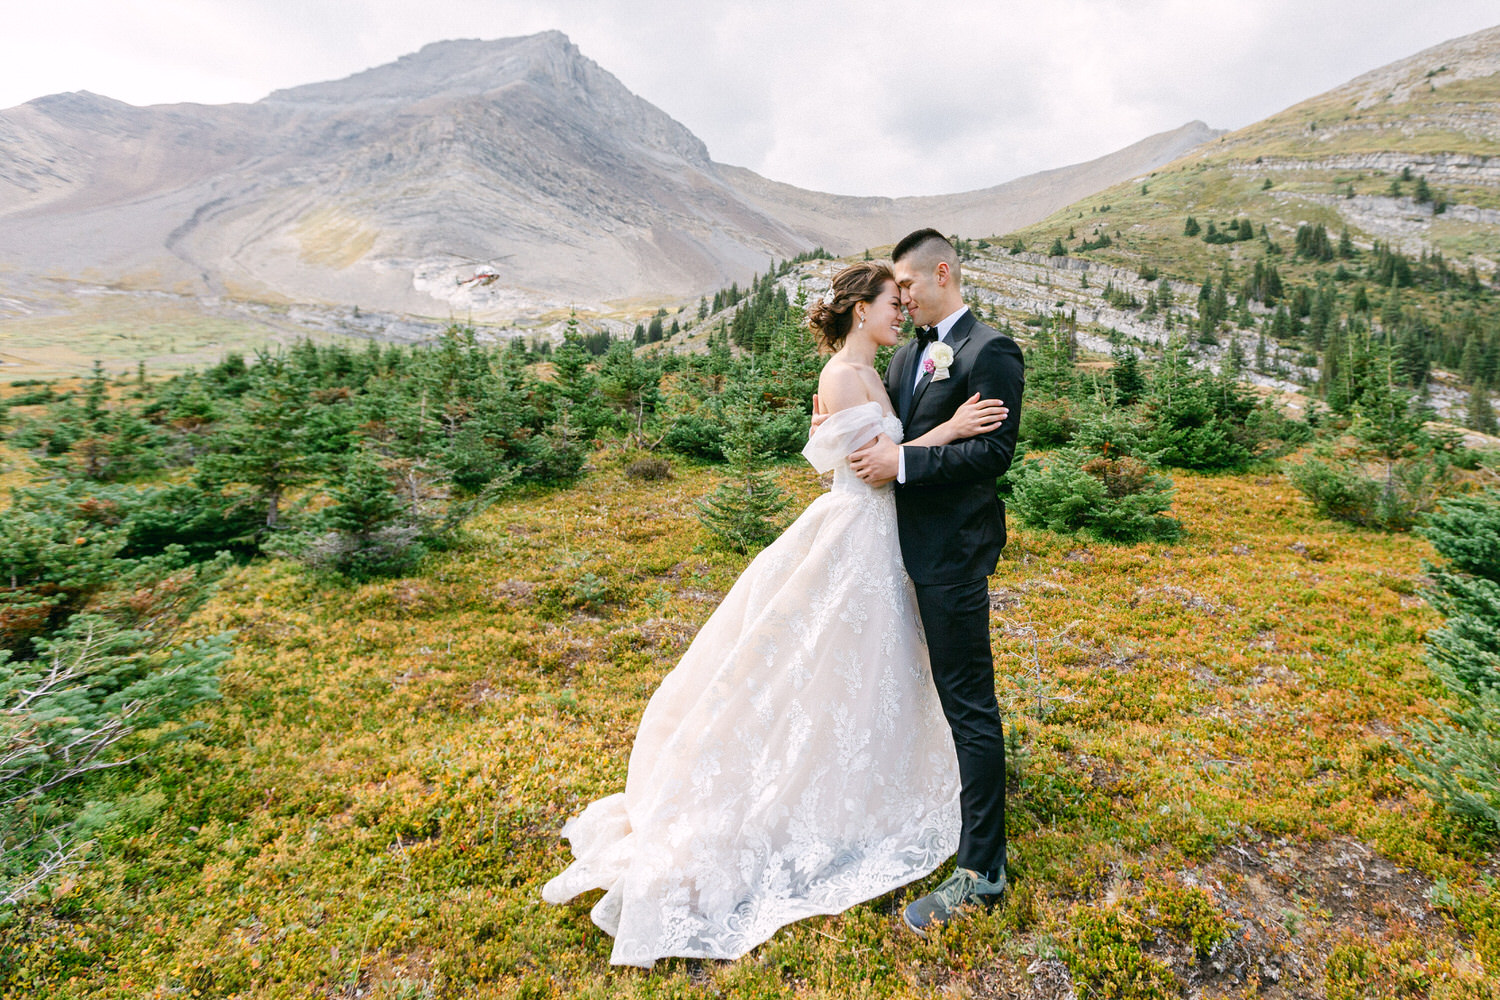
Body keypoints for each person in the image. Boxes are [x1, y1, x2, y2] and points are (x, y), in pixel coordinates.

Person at [541, 260, 1009, 967]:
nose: (900, 313)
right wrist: (952, 430)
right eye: (890, 302)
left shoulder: (877, 370)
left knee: (869, 677)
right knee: (821, 674)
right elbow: (872, 464)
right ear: (860, 310)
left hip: (886, 541)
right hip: (857, 536)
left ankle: (869, 790)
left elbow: (884, 452)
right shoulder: (843, 377)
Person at [845, 228, 1024, 937]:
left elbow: (993, 454)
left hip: (951, 555)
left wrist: (908, 465)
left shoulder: (990, 351)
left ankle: (983, 872)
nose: (901, 298)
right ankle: (927, 804)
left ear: (941, 272)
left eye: (908, 286)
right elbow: (887, 437)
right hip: (892, 555)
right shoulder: (910, 354)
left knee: (968, 703)